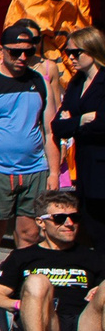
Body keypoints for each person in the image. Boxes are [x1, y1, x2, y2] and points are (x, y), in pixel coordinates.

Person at [0, 20, 60, 296]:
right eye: (15, 52)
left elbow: (50, 129)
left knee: (31, 235)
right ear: (0, 50)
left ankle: (26, 293)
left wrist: (54, 173)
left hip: (35, 171)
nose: (22, 58)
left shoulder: (39, 82)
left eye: (28, 52)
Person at [0, 191, 105, 331]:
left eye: (75, 218)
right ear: (41, 223)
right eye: (60, 219)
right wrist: (22, 305)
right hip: (48, 322)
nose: (69, 223)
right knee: (37, 281)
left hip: (85, 324)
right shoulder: (23, 256)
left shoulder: (92, 256)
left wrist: (99, 289)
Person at [55, 28, 105, 229]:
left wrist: (73, 122)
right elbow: (58, 126)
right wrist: (81, 120)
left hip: (101, 166)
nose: (71, 58)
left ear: (93, 50)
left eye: (76, 53)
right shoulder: (76, 83)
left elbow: (102, 125)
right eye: (68, 53)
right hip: (84, 168)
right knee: (90, 227)